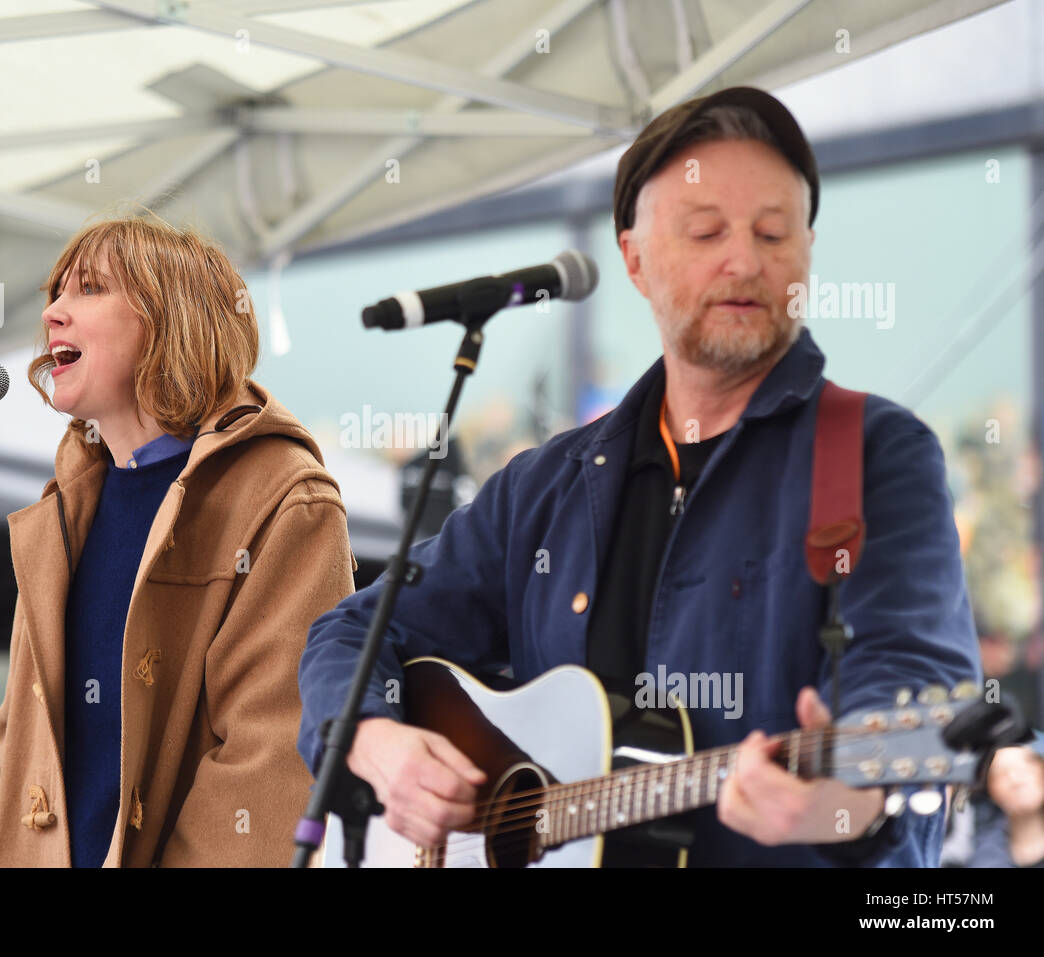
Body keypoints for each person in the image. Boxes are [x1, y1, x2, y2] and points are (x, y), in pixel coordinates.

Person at [297, 87, 982, 866]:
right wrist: (376, 741)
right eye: (706, 230)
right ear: (634, 259)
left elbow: (914, 686)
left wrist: (842, 808)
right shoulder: (541, 489)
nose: (746, 259)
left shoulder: (873, 454)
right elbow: (352, 630)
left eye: (774, 231)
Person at [0, 215, 356, 867]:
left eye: (88, 288)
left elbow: (267, 770)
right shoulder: (63, 506)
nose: (55, 312)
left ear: (170, 320)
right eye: (54, 293)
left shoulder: (286, 499)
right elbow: (15, 751)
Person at [967, 739, 1044, 868]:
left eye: (1025, 768)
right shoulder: (974, 849)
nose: (1015, 780)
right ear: (991, 790)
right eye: (1001, 774)